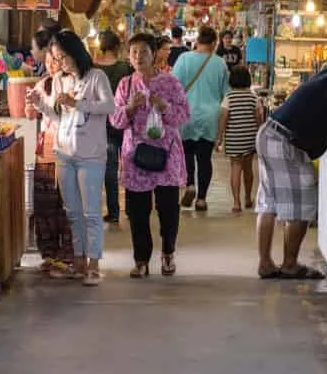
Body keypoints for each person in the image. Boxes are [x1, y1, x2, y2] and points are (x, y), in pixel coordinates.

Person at [28, 30, 115, 286]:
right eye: (56, 57)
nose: (60, 62)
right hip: (64, 152)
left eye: (63, 56)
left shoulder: (96, 77)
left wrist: (79, 104)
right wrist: (40, 104)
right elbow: (58, 117)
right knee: (72, 212)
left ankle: (93, 263)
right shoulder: (59, 81)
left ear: (75, 52)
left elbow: (109, 107)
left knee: (91, 212)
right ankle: (77, 260)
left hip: (91, 155)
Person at [110, 33, 191, 278]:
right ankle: (141, 260)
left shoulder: (170, 83)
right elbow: (115, 120)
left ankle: (168, 253)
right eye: (134, 52)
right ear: (129, 56)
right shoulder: (125, 85)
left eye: (143, 51)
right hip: (136, 157)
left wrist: (163, 106)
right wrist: (131, 107)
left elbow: (184, 115)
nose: (138, 57)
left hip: (167, 155)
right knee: (137, 211)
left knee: (168, 208)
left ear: (153, 54)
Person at [255, 67, 327, 280]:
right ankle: (289, 264)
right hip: (284, 141)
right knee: (303, 202)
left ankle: (265, 263)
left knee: (268, 202)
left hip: (270, 133)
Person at [171, 26, 229, 211]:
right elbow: (225, 94)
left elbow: (174, 87)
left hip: (186, 114)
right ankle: (202, 199)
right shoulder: (219, 63)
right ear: (214, 43)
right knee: (205, 158)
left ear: (198, 41)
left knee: (187, 153)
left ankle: (190, 185)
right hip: (209, 116)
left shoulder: (184, 59)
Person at [31, 50, 74, 278]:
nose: (51, 66)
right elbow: (34, 114)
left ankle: (67, 255)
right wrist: (32, 106)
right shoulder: (43, 84)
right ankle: (48, 253)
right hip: (45, 149)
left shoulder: (72, 84)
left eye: (55, 61)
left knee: (65, 206)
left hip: (67, 149)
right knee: (44, 205)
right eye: (47, 62)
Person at [95, 30, 133, 224]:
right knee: (128, 164)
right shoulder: (125, 68)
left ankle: (113, 211)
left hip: (103, 123)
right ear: (117, 47)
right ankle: (132, 207)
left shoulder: (94, 69)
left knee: (110, 168)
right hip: (125, 121)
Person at [216, 65, 263, 213]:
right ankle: (248, 198)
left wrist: (219, 138)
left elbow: (223, 118)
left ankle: (236, 203)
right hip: (249, 138)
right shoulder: (254, 97)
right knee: (248, 169)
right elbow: (259, 118)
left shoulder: (228, 98)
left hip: (234, 138)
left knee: (235, 168)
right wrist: (260, 135)